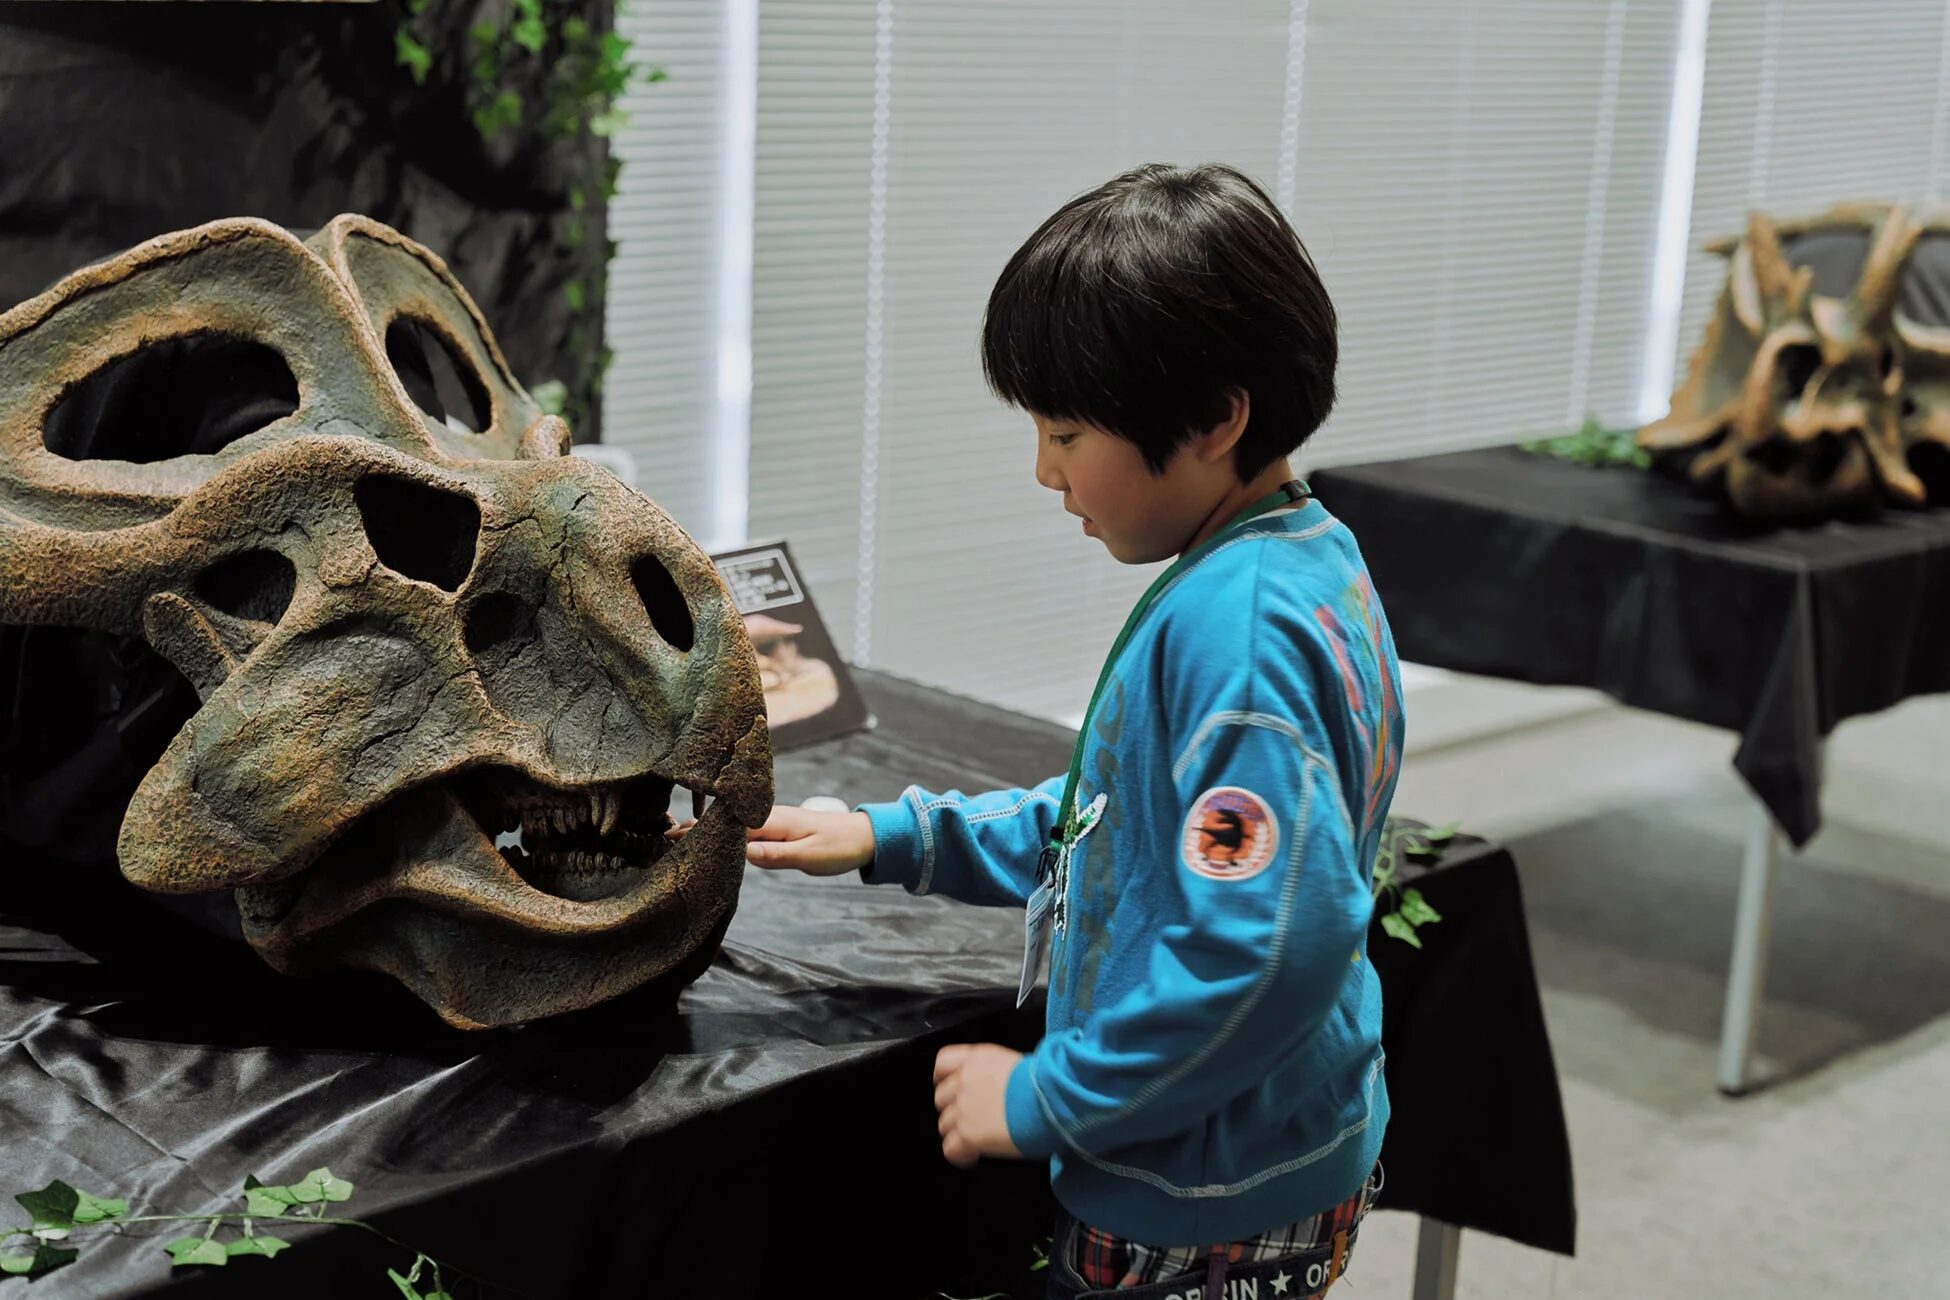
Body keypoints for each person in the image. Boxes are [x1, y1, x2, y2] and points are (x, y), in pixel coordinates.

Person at [678, 162, 1402, 1300]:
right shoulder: (1295, 559)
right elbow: (1127, 824)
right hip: (1250, 1150)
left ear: (1217, 418)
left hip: (1197, 1198)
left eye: (1066, 432)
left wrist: (1048, 1096)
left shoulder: (1241, 633)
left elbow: (1265, 952)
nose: (1043, 469)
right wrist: (892, 835)